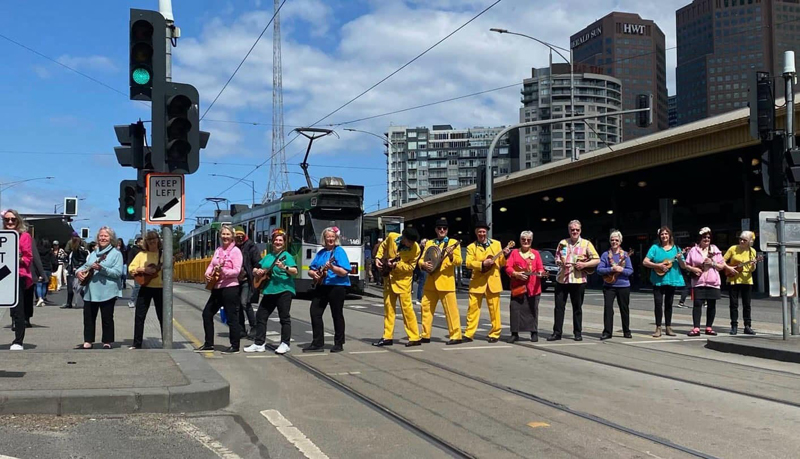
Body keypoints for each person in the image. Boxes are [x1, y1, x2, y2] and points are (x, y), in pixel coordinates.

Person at [246, 229, 297, 354]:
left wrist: (284, 267)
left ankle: (285, 343)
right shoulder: (268, 256)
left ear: (284, 243)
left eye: (280, 240)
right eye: (276, 240)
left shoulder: (287, 256)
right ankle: (259, 343)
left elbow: (295, 271)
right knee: (261, 316)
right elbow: (257, 267)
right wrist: (256, 271)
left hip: (284, 289)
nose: (278, 242)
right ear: (272, 242)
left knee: (284, 317)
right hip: (269, 290)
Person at [549, 220, 599, 342]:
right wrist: (559, 262)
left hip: (578, 280)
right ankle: (557, 333)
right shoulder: (562, 243)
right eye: (572, 229)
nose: (574, 231)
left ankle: (577, 333)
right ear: (569, 230)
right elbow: (556, 258)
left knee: (577, 308)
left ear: (580, 230)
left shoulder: (586, 244)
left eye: (577, 229)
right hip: (562, 280)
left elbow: (596, 259)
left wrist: (584, 265)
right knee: (559, 307)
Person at [196, 225, 243, 354]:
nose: (225, 237)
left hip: (230, 288)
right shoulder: (218, 250)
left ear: (232, 236)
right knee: (207, 313)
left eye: (228, 234)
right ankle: (209, 344)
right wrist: (207, 273)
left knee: (232, 317)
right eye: (223, 234)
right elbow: (212, 264)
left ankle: (235, 346)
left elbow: (236, 271)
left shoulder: (236, 252)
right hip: (217, 287)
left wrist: (224, 271)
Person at [372, 228, 422, 347]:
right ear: (403, 237)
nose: (410, 244)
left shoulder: (416, 249)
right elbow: (383, 245)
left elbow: (410, 267)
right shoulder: (392, 237)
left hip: (403, 282)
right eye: (409, 241)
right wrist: (378, 258)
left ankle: (415, 337)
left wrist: (396, 265)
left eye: (412, 242)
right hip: (389, 279)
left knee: (407, 310)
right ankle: (387, 337)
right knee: (389, 309)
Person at [304, 227, 351, 353]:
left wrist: (332, 268)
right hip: (322, 285)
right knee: (315, 312)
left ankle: (339, 343)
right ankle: (317, 342)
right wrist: (313, 274)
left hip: (337, 286)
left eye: (332, 237)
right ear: (324, 239)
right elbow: (311, 269)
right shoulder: (321, 252)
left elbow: (344, 272)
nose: (330, 239)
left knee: (336, 314)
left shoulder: (339, 251)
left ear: (336, 238)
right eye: (327, 237)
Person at [76, 227, 123, 349]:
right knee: (88, 317)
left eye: (106, 236)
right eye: (101, 236)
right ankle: (88, 341)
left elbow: (117, 273)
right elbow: (84, 266)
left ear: (111, 238)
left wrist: (102, 269)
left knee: (107, 317)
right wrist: (78, 272)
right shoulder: (93, 253)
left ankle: (107, 341)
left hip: (108, 291)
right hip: (91, 291)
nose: (103, 238)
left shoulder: (116, 254)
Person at [464, 222, 511, 343]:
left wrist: (505, 255)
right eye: (479, 231)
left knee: (494, 309)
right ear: (476, 233)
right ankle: (469, 333)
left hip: (493, 281)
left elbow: (501, 263)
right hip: (477, 282)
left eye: (483, 231)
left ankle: (495, 333)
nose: (482, 234)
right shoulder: (471, 247)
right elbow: (468, 263)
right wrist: (481, 264)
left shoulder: (496, 244)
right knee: (473, 309)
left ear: (487, 232)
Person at [419, 217, 463, 345]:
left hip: (446, 283)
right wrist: (423, 265)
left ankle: (456, 336)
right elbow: (421, 259)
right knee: (425, 309)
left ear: (447, 230)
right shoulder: (429, 243)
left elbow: (459, 261)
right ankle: (425, 335)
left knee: (451, 311)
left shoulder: (453, 242)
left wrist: (450, 255)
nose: (442, 230)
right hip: (430, 282)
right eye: (439, 228)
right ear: (436, 230)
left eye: (444, 228)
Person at [642, 227, 686, 337]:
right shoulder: (655, 248)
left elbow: (683, 266)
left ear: (670, 235)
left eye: (666, 234)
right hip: (658, 280)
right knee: (658, 304)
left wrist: (680, 258)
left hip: (671, 280)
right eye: (662, 234)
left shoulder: (676, 249)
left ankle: (668, 327)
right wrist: (657, 265)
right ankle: (658, 327)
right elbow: (645, 262)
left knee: (669, 304)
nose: (664, 236)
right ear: (659, 236)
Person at [684, 227, 726, 337]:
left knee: (712, 304)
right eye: (704, 237)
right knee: (697, 304)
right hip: (698, 281)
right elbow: (686, 265)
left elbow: (721, 266)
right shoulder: (693, 250)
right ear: (700, 238)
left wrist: (713, 263)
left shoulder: (715, 249)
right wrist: (693, 269)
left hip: (712, 281)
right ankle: (696, 328)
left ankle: (709, 327)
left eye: (708, 237)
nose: (706, 239)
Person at [505, 230, 544, 343]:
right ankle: (514, 333)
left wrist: (541, 272)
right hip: (518, 287)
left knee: (533, 309)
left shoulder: (536, 254)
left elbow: (540, 267)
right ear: (520, 240)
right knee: (515, 309)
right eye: (523, 240)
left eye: (528, 240)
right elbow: (508, 267)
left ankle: (534, 332)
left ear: (531, 241)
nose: (526, 241)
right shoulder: (514, 253)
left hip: (533, 287)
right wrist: (516, 274)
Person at [128, 231, 163, 349]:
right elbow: (131, 269)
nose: (152, 241)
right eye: (149, 239)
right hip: (145, 287)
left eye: (154, 238)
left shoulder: (163, 254)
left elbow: (172, 273)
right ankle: (137, 343)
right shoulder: (141, 255)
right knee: (139, 316)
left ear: (158, 240)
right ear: (146, 242)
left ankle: (166, 341)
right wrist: (143, 269)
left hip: (161, 289)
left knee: (163, 317)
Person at [3, 209, 32, 350]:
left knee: (18, 310)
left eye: (12, 219)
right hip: (3, 276)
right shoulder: (2, 236)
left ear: (18, 220)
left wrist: (16, 257)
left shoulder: (24, 236)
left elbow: (28, 258)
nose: (9, 222)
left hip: (18, 275)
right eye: (6, 219)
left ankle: (18, 341)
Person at [596, 230, 634, 340]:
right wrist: (611, 269)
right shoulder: (605, 255)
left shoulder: (626, 255)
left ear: (620, 241)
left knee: (624, 308)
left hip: (623, 286)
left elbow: (630, 271)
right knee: (608, 309)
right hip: (609, 286)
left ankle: (626, 330)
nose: (614, 242)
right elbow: (599, 270)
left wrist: (621, 269)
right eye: (612, 240)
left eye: (616, 240)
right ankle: (607, 332)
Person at [724, 231, 759, 335]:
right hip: (733, 279)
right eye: (740, 239)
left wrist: (753, 264)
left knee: (747, 304)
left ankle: (747, 326)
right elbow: (722, 260)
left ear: (749, 242)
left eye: (744, 240)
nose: (742, 241)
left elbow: (752, 269)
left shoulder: (752, 251)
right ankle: (734, 325)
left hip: (747, 280)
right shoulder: (733, 248)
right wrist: (729, 268)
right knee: (733, 304)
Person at [234, 227, 260, 340]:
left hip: (246, 279)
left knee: (245, 302)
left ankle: (254, 327)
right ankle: (241, 329)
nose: (239, 237)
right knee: (237, 305)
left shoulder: (250, 246)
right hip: (234, 280)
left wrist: (255, 270)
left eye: (241, 235)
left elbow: (257, 261)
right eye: (237, 236)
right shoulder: (232, 247)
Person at [62, 232, 88, 309]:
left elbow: (66, 251)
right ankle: (86, 302)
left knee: (71, 286)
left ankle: (69, 303)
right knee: (80, 286)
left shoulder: (72, 245)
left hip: (73, 268)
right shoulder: (83, 245)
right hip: (81, 267)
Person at [36, 239, 56, 307]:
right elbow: (54, 261)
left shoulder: (37, 251)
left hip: (39, 269)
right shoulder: (50, 252)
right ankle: (43, 298)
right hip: (47, 269)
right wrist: (54, 269)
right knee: (44, 285)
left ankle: (40, 298)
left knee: (39, 285)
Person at [127, 236, 144, 309]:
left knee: (142, 288)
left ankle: (139, 302)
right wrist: (131, 271)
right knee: (137, 287)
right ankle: (132, 301)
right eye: (142, 242)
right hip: (136, 271)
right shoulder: (133, 250)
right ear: (138, 242)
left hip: (144, 271)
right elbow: (130, 260)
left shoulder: (144, 250)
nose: (143, 244)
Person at [414, 238, 428, 306]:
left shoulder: (419, 249)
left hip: (420, 268)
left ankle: (420, 298)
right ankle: (419, 298)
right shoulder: (422, 249)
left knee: (422, 283)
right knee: (422, 283)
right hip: (422, 268)